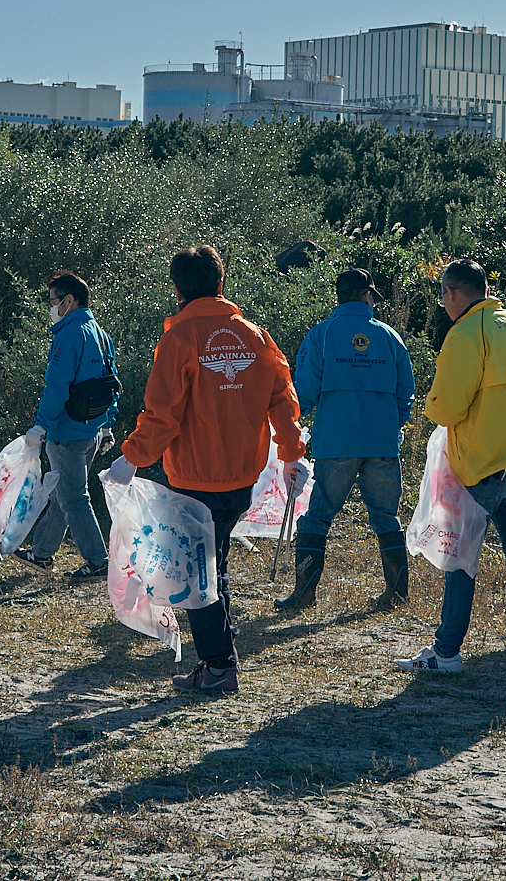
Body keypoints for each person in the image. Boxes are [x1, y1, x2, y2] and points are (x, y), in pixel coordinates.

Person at [103, 244, 304, 694]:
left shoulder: (178, 341)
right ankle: (221, 659)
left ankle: (217, 667)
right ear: (221, 281)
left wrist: (131, 459)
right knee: (212, 565)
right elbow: (283, 399)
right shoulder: (255, 335)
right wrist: (293, 454)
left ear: (177, 289)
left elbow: (162, 416)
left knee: (195, 574)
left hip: (195, 479)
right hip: (243, 478)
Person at [393, 258, 506, 680]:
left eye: (443, 295)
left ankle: (446, 652)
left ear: (455, 292)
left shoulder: (465, 334)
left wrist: (429, 407)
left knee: (461, 560)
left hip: (479, 465)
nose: (441, 304)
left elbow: (446, 406)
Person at [276, 267, 416, 611]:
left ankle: (305, 594)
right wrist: (390, 424)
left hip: (336, 443)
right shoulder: (389, 337)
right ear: (368, 295)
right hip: (382, 445)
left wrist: (286, 425)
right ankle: (396, 595)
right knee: (386, 517)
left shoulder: (321, 335)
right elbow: (406, 392)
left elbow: (303, 393)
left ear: (339, 296)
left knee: (318, 516)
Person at [15, 271, 117, 582]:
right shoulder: (99, 332)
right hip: (93, 430)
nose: (51, 307)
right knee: (64, 492)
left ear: (68, 301)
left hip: (67, 432)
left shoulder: (68, 335)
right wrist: (108, 424)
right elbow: (111, 383)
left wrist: (40, 426)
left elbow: (57, 386)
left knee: (73, 496)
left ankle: (99, 562)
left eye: (53, 301)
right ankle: (42, 554)